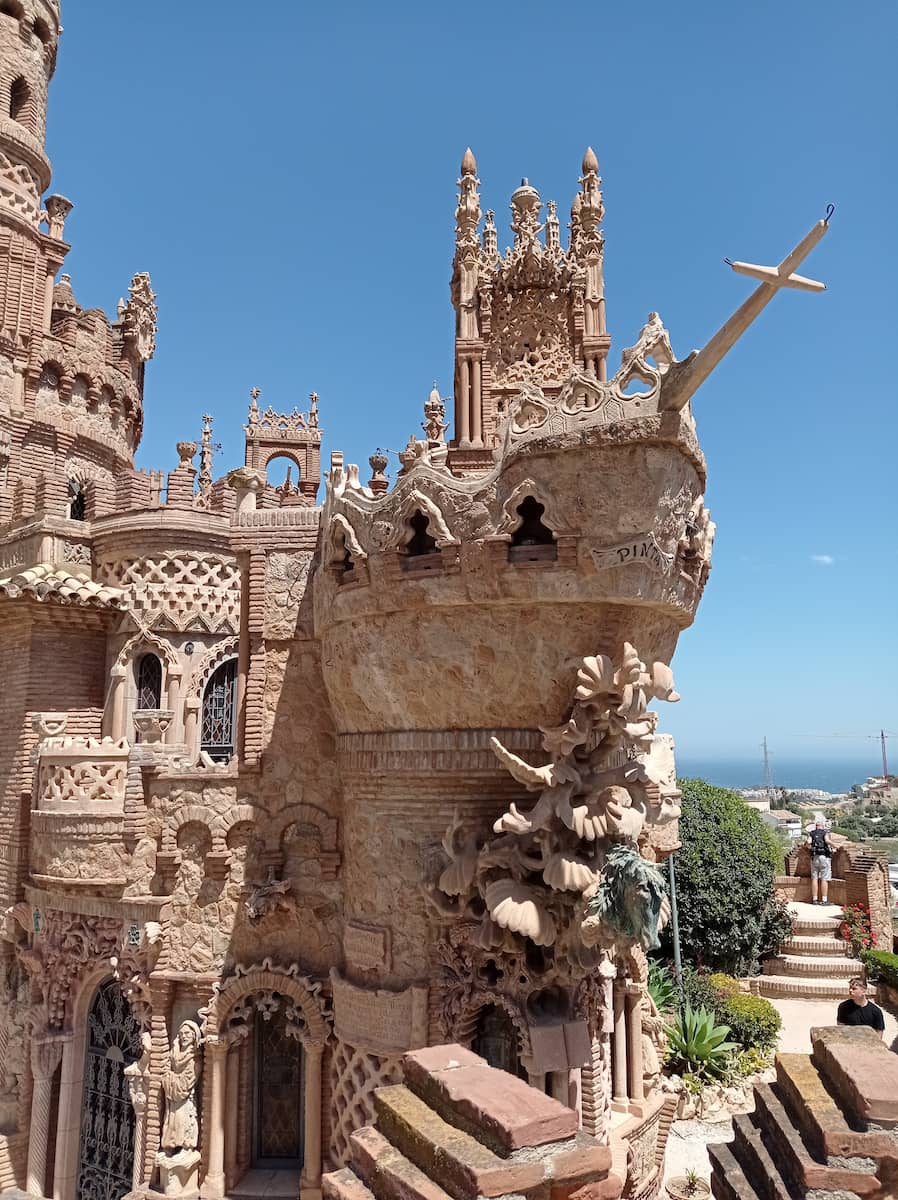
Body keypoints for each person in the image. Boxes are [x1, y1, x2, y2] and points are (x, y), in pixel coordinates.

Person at [806, 817, 833, 905]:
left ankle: (815, 899)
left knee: (814, 878)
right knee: (824, 878)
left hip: (814, 857)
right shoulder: (825, 833)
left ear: (816, 826)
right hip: (824, 857)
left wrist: (807, 846)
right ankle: (824, 900)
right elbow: (827, 841)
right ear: (823, 826)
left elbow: (808, 842)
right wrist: (836, 845)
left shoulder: (812, 833)